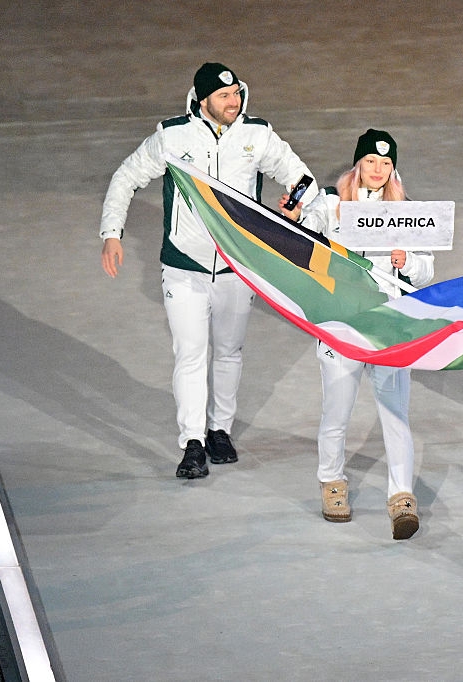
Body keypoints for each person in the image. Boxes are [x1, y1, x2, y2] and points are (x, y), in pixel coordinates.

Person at [99, 62, 318, 479]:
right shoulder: (172, 136)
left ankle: (220, 430)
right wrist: (112, 232)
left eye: (236, 93)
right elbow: (126, 176)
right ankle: (193, 442)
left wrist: (295, 204)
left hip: (239, 268)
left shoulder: (258, 135)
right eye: (223, 96)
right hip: (184, 267)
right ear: (202, 101)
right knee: (191, 353)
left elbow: (301, 177)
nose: (233, 101)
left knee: (230, 352)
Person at [280, 129, 434, 540]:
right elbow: (303, 232)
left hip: (387, 326)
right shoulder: (332, 202)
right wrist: (295, 219)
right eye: (370, 162)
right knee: (337, 411)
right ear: (357, 164)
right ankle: (332, 483)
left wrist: (409, 262)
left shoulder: (404, 210)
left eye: (385, 164)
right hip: (340, 324)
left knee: (395, 414)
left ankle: (402, 495)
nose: (377, 170)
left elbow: (427, 269)